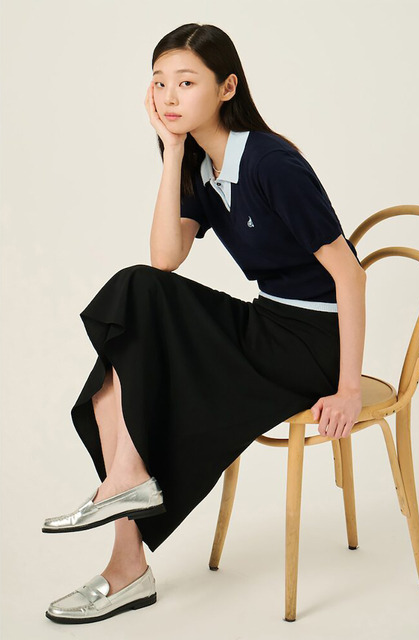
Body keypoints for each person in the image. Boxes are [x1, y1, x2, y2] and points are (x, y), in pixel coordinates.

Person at [42, 22, 366, 624]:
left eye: (186, 83)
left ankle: (126, 557)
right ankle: (127, 494)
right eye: (159, 82)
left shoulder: (270, 162)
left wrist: (349, 389)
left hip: (312, 345)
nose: (169, 96)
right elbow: (165, 259)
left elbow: (350, 276)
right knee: (135, 313)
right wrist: (172, 153)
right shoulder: (201, 163)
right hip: (269, 324)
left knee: (145, 354)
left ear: (227, 87)